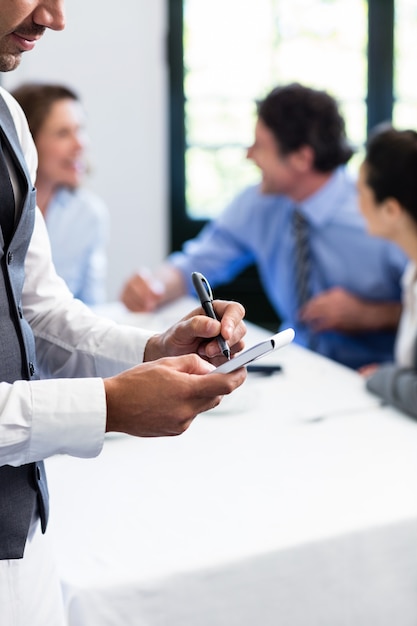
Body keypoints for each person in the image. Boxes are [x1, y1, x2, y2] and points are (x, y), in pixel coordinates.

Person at [0, 3, 247, 625]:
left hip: (24, 526)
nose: (54, 18)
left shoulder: (7, 120)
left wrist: (155, 349)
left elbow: (38, 309)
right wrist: (107, 405)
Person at [120, 83, 408, 370]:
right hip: (296, 361)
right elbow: (196, 263)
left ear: (301, 158)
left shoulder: (379, 210)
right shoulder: (260, 203)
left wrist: (374, 314)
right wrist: (155, 286)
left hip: (377, 377)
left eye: (259, 145)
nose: (248, 155)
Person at [11, 81, 110, 306]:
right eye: (63, 133)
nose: (81, 145)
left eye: (80, 130)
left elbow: (91, 306)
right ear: (27, 142)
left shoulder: (88, 214)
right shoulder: (7, 209)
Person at [357, 125, 417, 419]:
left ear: (391, 209)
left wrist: (383, 379)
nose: (357, 205)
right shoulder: (412, 270)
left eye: (361, 192)